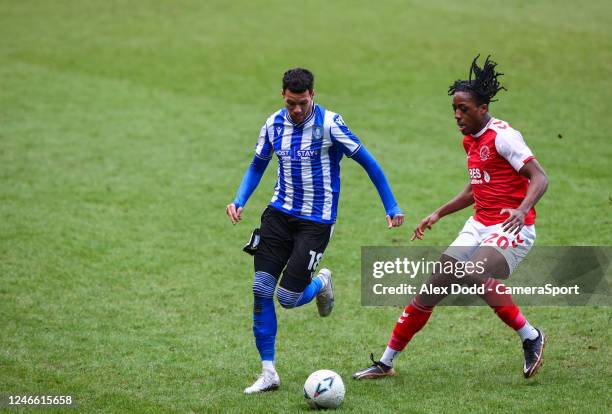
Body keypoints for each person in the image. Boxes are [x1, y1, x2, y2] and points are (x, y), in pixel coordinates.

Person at [353, 55, 549, 380]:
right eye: (454, 109)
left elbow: (540, 177)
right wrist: (439, 213)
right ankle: (386, 362)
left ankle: (531, 336)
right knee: (431, 290)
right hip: (479, 225)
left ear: (483, 108)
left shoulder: (504, 137)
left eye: (464, 109)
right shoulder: (470, 139)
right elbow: (477, 188)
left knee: (473, 274)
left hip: (512, 227)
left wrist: (523, 208)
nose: (458, 115)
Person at [226, 68, 405, 394]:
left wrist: (391, 206)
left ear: (313, 95)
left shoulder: (330, 124)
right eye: (292, 103)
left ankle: (322, 282)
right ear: (283, 95)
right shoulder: (272, 124)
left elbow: (370, 163)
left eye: (303, 103)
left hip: (316, 222)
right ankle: (269, 372)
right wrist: (239, 200)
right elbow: (256, 166)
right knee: (261, 288)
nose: (297, 110)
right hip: (278, 216)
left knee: (288, 298)